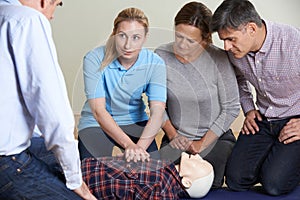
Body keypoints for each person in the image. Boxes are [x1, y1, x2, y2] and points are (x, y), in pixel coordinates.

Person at [0, 0, 96, 199]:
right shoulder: (26, 20)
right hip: (7, 161)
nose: (52, 16)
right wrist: (78, 184)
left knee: (73, 159)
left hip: (22, 144)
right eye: (57, 5)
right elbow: (55, 116)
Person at [211, 0, 300, 196]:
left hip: (295, 120)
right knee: (236, 180)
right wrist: (249, 109)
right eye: (223, 40)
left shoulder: (294, 42)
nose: (226, 47)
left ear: (251, 28)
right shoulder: (236, 52)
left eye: (231, 39)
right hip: (264, 117)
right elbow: (240, 79)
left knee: (274, 185)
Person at [155, 1, 240, 188]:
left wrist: (201, 144)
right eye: (179, 37)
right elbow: (156, 104)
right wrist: (173, 135)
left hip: (214, 138)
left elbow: (231, 107)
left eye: (191, 41)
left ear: (205, 39)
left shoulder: (219, 59)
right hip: (176, 138)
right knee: (167, 184)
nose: (182, 45)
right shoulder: (161, 56)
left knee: (205, 184)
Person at [77, 7, 166, 162]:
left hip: (135, 121)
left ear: (145, 37)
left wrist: (139, 149)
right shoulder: (94, 58)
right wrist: (129, 145)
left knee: (152, 174)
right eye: (122, 36)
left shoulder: (155, 63)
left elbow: (158, 112)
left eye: (136, 37)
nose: (127, 45)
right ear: (114, 34)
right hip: (95, 123)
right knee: (92, 176)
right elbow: (98, 111)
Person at [81, 152, 214, 199]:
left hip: (83, 182)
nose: (197, 156)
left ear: (186, 182)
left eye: (199, 163)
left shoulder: (163, 190)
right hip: (86, 166)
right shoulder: (166, 168)